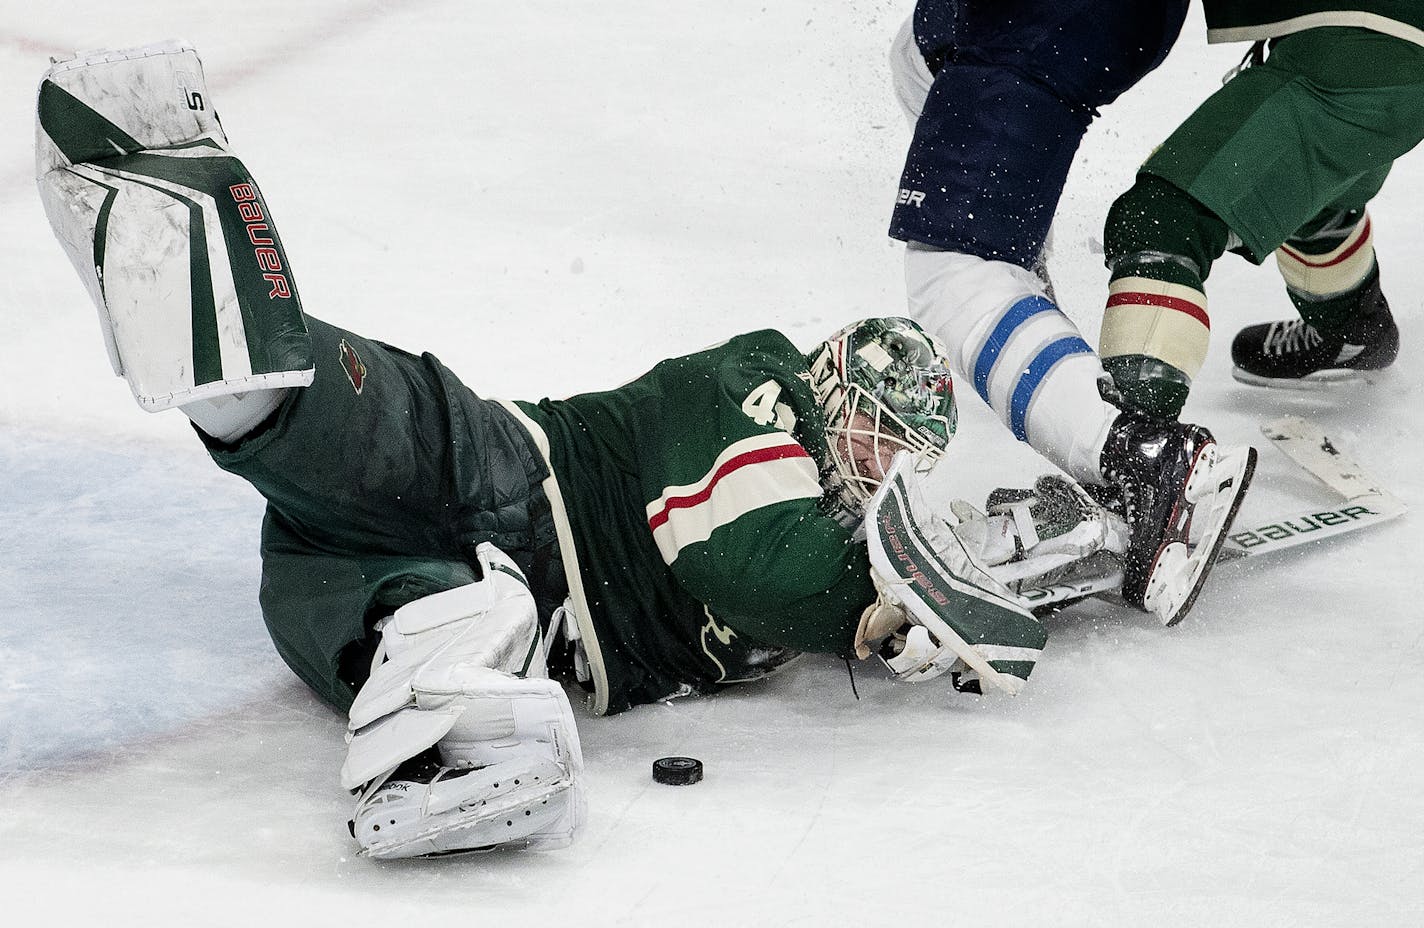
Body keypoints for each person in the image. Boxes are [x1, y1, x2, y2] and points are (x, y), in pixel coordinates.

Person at [39, 42, 1126, 860]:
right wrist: (876, 610)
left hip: (381, 594)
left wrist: (957, 586)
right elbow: (740, 556)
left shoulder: (836, 526)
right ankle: (157, 198)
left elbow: (829, 579)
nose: (872, 466)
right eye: (867, 432)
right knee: (314, 394)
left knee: (473, 624)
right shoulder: (755, 388)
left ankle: (424, 764)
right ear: (829, 383)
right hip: (490, 468)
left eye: (896, 455)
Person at [882, 2, 1254, 625]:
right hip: (1073, 22)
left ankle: (1146, 459)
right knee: (916, 64)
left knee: (955, 274)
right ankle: (1076, 392)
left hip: (1031, 21)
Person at [1095, 2, 1424, 415]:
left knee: (1163, 221)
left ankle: (1141, 447)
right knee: (1307, 193)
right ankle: (1355, 329)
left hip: (1359, 43)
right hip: (1386, 51)